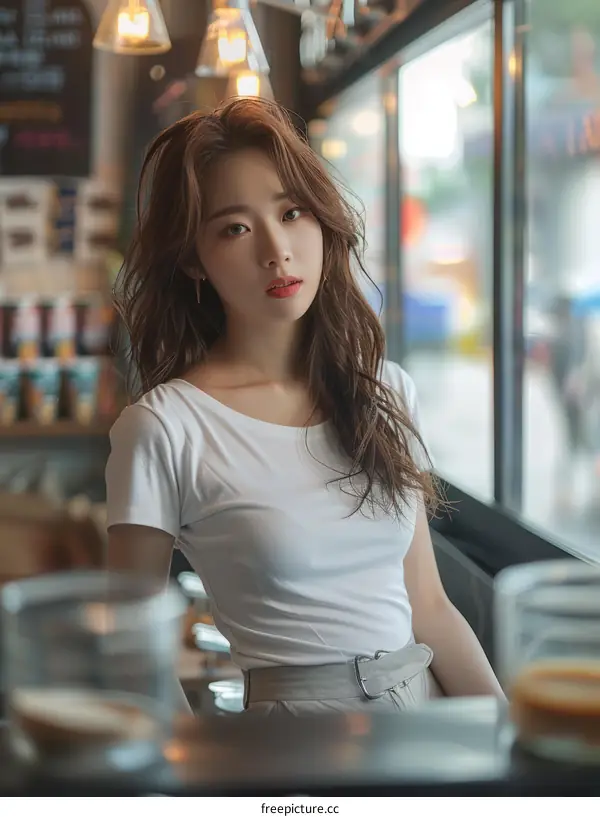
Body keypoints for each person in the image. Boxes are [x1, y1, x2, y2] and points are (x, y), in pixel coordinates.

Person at [106, 98, 504, 716]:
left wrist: (511, 746)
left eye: (292, 213)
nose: (276, 250)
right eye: (235, 228)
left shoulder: (385, 390)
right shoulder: (165, 427)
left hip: (424, 727)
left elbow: (428, 606)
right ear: (193, 259)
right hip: (290, 748)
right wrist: (199, 785)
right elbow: (131, 652)